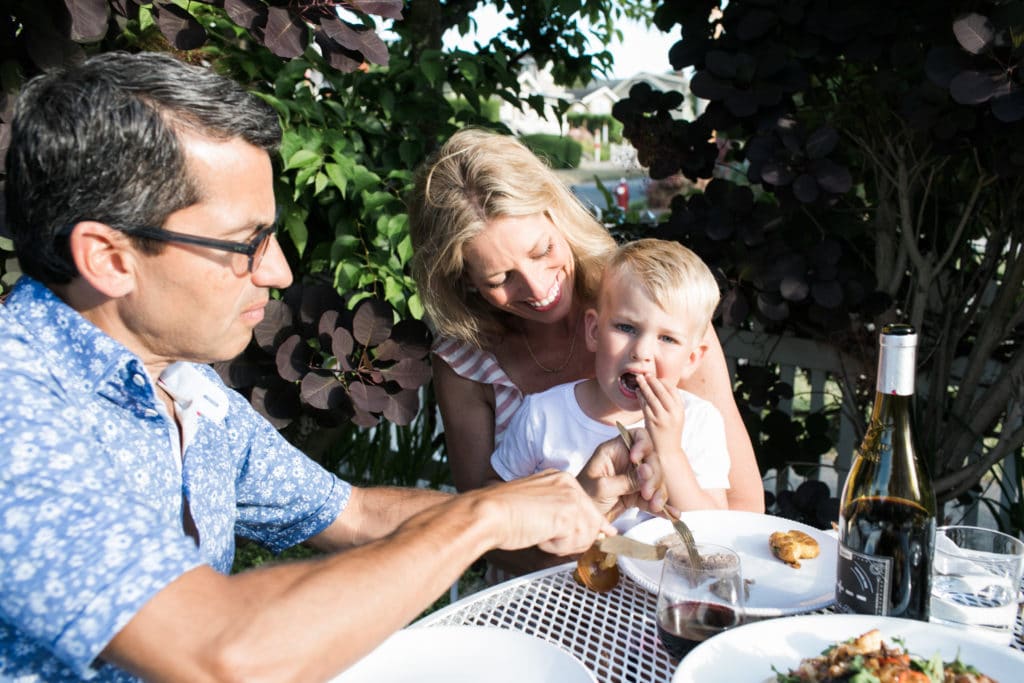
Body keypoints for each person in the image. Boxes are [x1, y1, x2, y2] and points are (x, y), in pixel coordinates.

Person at [0, 52, 666, 682]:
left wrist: (529, 506)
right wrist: (480, 521)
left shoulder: (183, 383)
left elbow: (355, 512)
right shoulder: (16, 404)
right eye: (245, 243)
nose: (279, 269)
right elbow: (216, 651)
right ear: (109, 259)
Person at [407, 129, 765, 532]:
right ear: (465, 281)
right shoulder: (465, 361)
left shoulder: (654, 308)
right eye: (499, 278)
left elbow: (743, 506)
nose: (539, 289)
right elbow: (482, 519)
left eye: (542, 251)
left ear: (557, 216)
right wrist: (584, 535)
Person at [490, 239, 730, 527]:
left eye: (667, 338)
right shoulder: (542, 415)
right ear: (594, 331)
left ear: (692, 358)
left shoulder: (699, 421)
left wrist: (670, 452)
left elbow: (715, 530)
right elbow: (501, 511)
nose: (641, 351)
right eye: (626, 327)